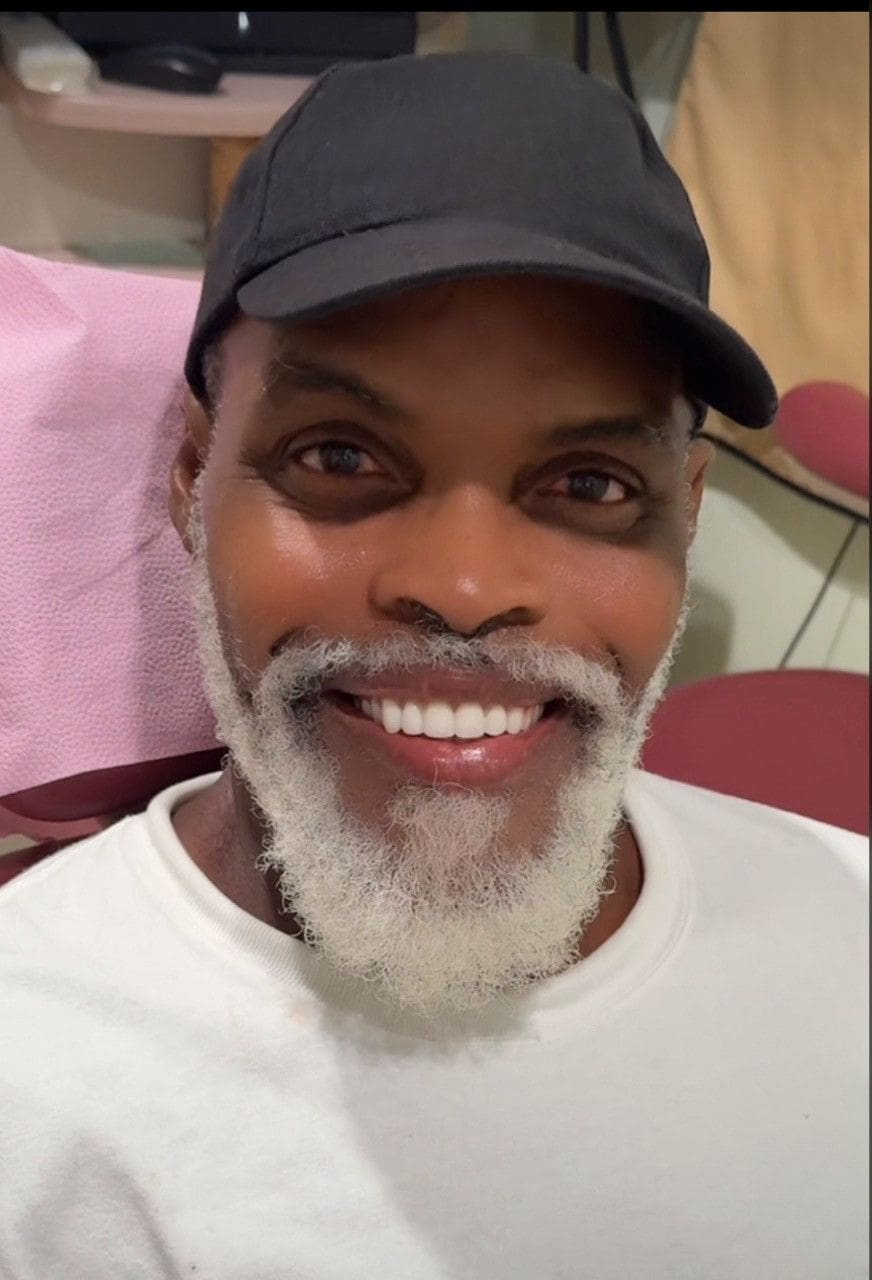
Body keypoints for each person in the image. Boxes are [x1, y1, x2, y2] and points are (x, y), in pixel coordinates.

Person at [0, 53, 866, 1280]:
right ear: (193, 482)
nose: (464, 587)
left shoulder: (849, 954)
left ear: (683, 511)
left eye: (587, 484)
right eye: (340, 457)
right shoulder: (29, 1071)